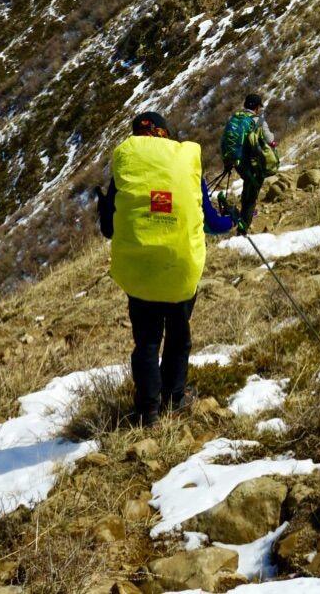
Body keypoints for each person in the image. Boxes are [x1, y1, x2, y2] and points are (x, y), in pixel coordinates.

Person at [97, 112, 206, 425]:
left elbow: (108, 229)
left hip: (140, 273)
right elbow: (209, 221)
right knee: (178, 336)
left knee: (146, 341)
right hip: (179, 269)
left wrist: (105, 205)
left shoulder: (125, 169)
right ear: (165, 134)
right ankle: (176, 397)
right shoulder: (186, 166)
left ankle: (148, 411)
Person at [219, 94, 276, 232]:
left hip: (236, 161)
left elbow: (225, 139)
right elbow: (269, 138)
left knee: (248, 183)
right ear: (257, 107)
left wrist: (227, 160)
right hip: (251, 162)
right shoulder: (257, 120)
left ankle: (244, 214)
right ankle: (243, 227)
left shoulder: (235, 117)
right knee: (253, 189)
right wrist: (272, 143)